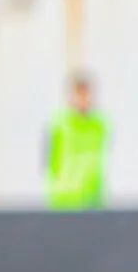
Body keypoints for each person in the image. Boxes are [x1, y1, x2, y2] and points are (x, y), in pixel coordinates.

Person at [44, 71, 107, 210]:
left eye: (86, 94)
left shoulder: (100, 125)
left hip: (92, 200)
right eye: (79, 94)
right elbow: (50, 161)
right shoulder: (59, 124)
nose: (83, 99)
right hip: (64, 200)